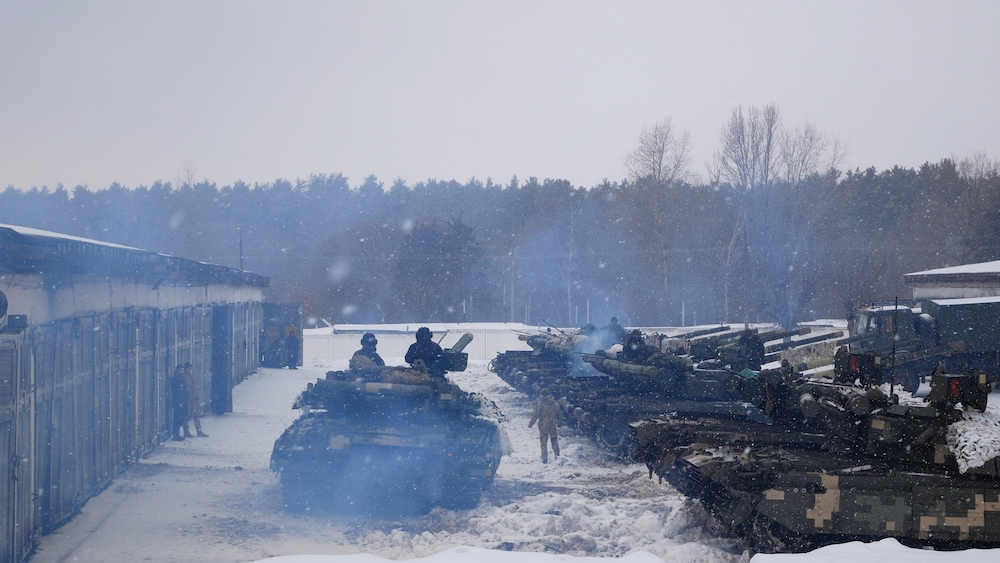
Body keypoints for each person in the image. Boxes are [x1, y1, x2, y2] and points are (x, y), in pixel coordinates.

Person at [528, 388, 563, 464]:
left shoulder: (541, 405)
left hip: (543, 427)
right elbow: (560, 415)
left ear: (542, 396)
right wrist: (560, 424)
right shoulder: (555, 404)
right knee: (554, 441)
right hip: (552, 426)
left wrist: (530, 424)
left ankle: (544, 459)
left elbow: (535, 415)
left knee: (543, 443)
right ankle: (557, 455)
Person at [182, 362, 208, 438]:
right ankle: (187, 431)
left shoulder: (191, 377)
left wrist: (196, 398)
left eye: (191, 369)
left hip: (193, 399)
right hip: (188, 400)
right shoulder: (184, 377)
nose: (190, 370)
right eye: (189, 369)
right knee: (187, 416)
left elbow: (193, 389)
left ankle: (199, 431)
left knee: (196, 415)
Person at [169, 365, 189, 441]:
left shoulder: (181, 378)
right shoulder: (176, 379)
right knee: (177, 418)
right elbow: (176, 392)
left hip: (182, 401)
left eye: (182, 370)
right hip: (178, 402)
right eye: (180, 370)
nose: (182, 372)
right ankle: (175, 434)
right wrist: (179, 402)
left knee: (180, 418)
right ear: (177, 370)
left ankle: (177, 434)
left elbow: (182, 391)